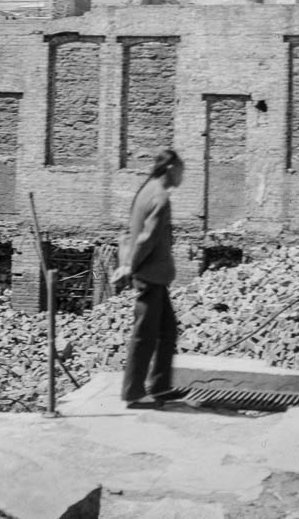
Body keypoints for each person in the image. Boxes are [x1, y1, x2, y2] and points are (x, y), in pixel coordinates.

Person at [113, 148, 184, 409]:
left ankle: (160, 387)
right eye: (180, 171)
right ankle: (133, 393)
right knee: (144, 335)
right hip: (150, 275)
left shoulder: (146, 189)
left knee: (167, 331)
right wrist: (130, 267)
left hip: (154, 274)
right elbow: (146, 238)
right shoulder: (160, 196)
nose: (182, 176)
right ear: (170, 170)